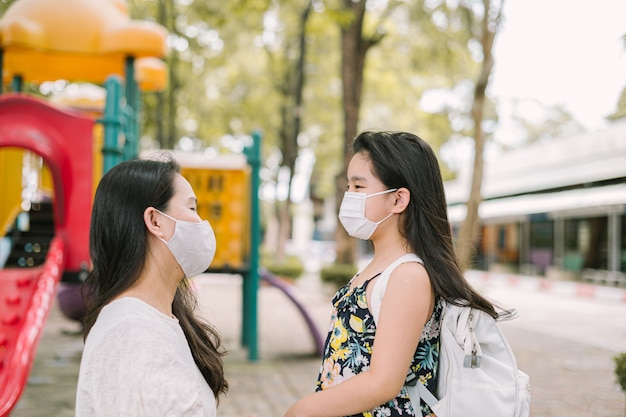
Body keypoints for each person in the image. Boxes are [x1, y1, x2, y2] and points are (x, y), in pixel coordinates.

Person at [283, 131, 498, 417]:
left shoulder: (408, 275)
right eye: (348, 186)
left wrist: (300, 411)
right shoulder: (381, 267)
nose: (349, 197)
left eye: (359, 187)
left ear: (398, 200)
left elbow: (383, 382)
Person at [76, 156, 228, 416]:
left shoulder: (155, 319)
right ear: (155, 221)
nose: (202, 224)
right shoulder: (132, 335)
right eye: (192, 209)